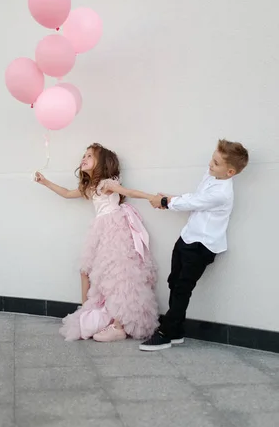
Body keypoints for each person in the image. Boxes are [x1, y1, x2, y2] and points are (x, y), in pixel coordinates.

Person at [104, 139, 249, 351]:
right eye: (212, 158)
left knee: (182, 288)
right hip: (188, 237)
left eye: (216, 163)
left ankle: (167, 333)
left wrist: (165, 202)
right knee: (174, 282)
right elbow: (194, 197)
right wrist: (169, 200)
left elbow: (194, 202)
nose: (210, 164)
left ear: (230, 172)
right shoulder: (211, 175)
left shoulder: (222, 192)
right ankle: (177, 330)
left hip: (202, 246)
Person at [35, 143, 159, 342]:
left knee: (118, 274)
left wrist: (152, 197)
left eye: (89, 156)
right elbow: (67, 193)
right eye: (84, 155)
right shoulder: (91, 188)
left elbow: (129, 191)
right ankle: (88, 312)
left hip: (114, 228)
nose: (83, 158)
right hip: (100, 231)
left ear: (101, 163)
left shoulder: (107, 184)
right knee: (86, 270)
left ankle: (119, 325)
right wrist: (45, 182)